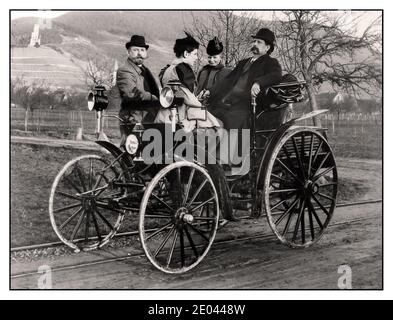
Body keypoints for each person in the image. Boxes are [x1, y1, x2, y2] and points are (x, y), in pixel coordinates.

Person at [206, 28, 283, 130]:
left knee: (232, 120)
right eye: (254, 41)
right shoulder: (243, 62)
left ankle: (235, 146)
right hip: (228, 101)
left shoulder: (270, 62)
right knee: (208, 115)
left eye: (259, 42)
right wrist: (209, 91)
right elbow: (227, 80)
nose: (254, 44)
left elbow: (276, 75)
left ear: (267, 47)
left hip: (247, 104)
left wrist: (258, 83)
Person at [155, 32, 220, 130]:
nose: (196, 57)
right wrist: (200, 103)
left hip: (165, 115)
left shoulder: (167, 69)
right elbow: (187, 98)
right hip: (181, 117)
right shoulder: (183, 69)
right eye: (194, 54)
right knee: (217, 128)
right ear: (186, 54)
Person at [116, 35, 161, 144]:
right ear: (128, 52)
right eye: (135, 50)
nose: (139, 53)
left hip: (148, 118)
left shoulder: (146, 71)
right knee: (134, 155)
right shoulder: (125, 71)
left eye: (142, 50)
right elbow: (132, 93)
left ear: (146, 53)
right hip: (134, 119)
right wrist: (153, 98)